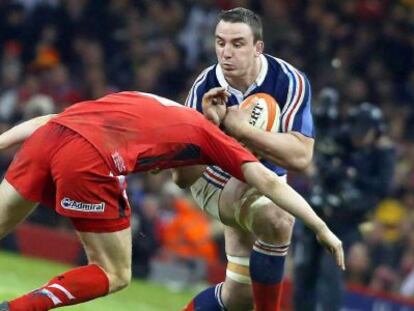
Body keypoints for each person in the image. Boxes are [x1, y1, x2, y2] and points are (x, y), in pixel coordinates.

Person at [0, 91, 343, 311]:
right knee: (114, 273)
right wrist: (321, 226)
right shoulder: (214, 139)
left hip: (48, 138)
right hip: (87, 158)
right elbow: (269, 181)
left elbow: (52, 120)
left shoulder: (159, 104)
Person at [172, 7, 315, 310]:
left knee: (238, 296)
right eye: (220, 42)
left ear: (257, 48)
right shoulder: (204, 87)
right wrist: (212, 130)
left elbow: (301, 156)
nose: (226, 53)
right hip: (214, 178)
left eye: (237, 44)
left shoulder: (289, 80)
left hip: (266, 177)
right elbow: (181, 177)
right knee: (278, 218)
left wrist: (241, 131)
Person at [293, 102, 395, 311]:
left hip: (348, 223)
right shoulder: (343, 138)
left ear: (375, 132)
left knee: (331, 271)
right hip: (321, 213)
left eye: (363, 133)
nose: (357, 137)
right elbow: (321, 160)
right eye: (355, 131)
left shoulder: (382, 154)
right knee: (305, 269)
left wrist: (352, 176)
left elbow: (382, 189)